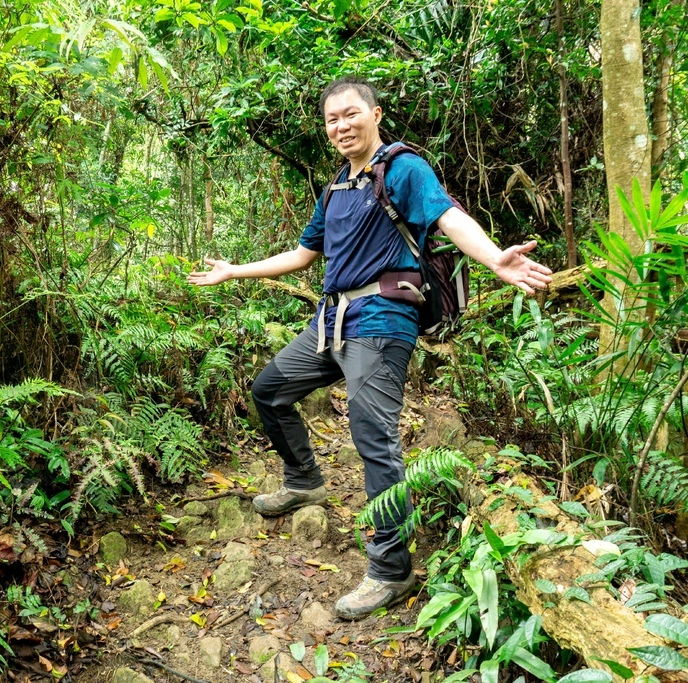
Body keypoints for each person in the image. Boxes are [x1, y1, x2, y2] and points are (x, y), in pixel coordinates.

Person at [188, 76, 552, 620]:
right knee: (268, 391)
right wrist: (235, 270)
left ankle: (392, 568)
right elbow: (305, 253)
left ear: (375, 115)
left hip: (381, 321)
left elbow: (448, 217)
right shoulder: (337, 188)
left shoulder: (404, 168)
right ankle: (305, 481)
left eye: (351, 114)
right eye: (332, 119)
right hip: (331, 319)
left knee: (373, 437)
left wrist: (495, 257)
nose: (341, 126)